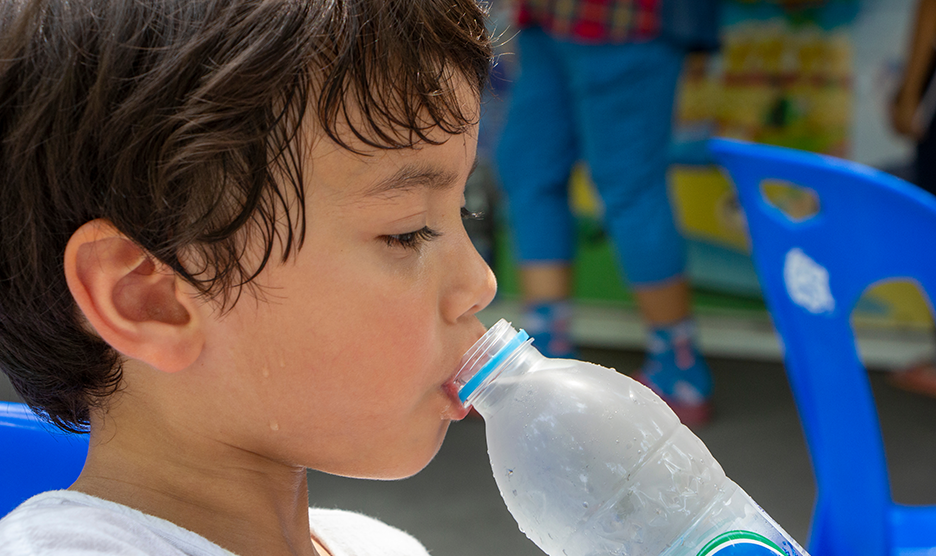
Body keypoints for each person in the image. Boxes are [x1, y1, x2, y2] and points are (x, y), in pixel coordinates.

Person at [0, 0, 497, 554]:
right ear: (149, 299)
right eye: (407, 233)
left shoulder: (379, 545)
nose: (481, 282)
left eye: (464, 210)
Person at [494, 0, 719, 425]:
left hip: (626, 20)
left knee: (629, 185)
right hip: (548, 19)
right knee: (529, 169)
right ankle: (546, 354)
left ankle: (679, 368)